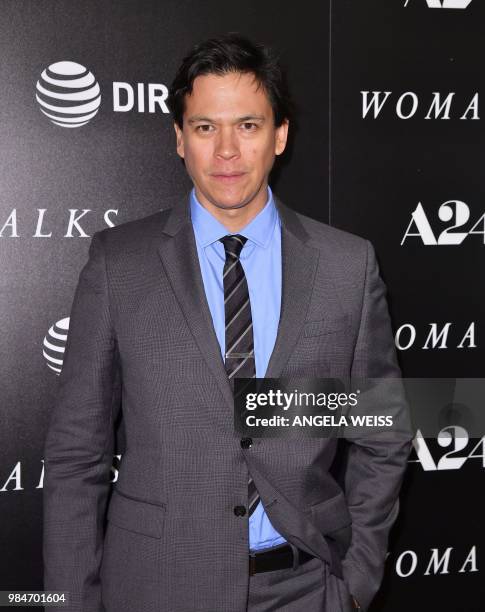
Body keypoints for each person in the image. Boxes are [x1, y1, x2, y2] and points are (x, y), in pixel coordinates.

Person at [43, 33, 413, 612]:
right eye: (205, 127)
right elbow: (77, 455)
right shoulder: (119, 263)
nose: (227, 152)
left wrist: (354, 584)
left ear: (280, 135)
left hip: (305, 589)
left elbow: (380, 433)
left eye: (248, 125)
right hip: (155, 590)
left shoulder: (347, 266)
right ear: (179, 139)